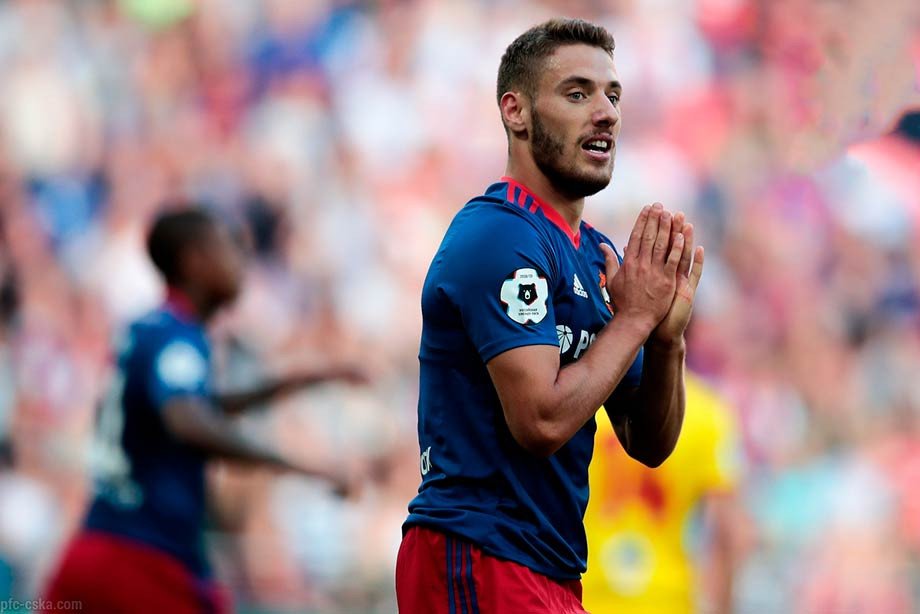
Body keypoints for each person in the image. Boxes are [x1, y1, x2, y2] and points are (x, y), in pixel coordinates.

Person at [395, 17, 705, 613]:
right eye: (578, 93)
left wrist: (666, 340)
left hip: (548, 566)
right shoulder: (499, 235)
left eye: (613, 95)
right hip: (477, 551)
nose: (606, 113)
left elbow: (648, 442)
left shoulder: (595, 255)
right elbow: (538, 423)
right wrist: (633, 321)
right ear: (516, 112)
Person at [41, 208, 363, 614]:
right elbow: (187, 420)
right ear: (194, 261)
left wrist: (301, 380)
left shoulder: (151, 328)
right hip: (142, 559)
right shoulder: (178, 336)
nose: (241, 262)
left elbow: (202, 404)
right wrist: (300, 464)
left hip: (94, 550)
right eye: (228, 248)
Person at [583, 372, 743, 614]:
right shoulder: (707, 411)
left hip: (587, 595)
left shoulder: (584, 400)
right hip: (668, 600)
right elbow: (724, 532)